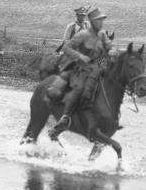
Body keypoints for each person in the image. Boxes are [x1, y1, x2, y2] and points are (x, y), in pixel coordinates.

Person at [49, 7, 117, 139]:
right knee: (80, 88)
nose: (101, 23)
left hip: (95, 68)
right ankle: (65, 117)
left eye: (102, 20)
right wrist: (80, 56)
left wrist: (113, 50)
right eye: (99, 20)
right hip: (80, 67)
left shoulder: (102, 34)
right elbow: (66, 46)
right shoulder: (80, 33)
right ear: (92, 21)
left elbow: (110, 45)